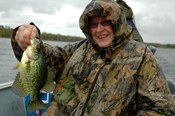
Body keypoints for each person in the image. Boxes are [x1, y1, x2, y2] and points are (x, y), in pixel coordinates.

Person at [11, 0, 174, 115]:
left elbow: (161, 109)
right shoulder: (78, 49)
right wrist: (25, 37)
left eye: (106, 22)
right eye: (94, 24)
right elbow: (44, 58)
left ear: (117, 23)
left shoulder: (142, 56)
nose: (99, 29)